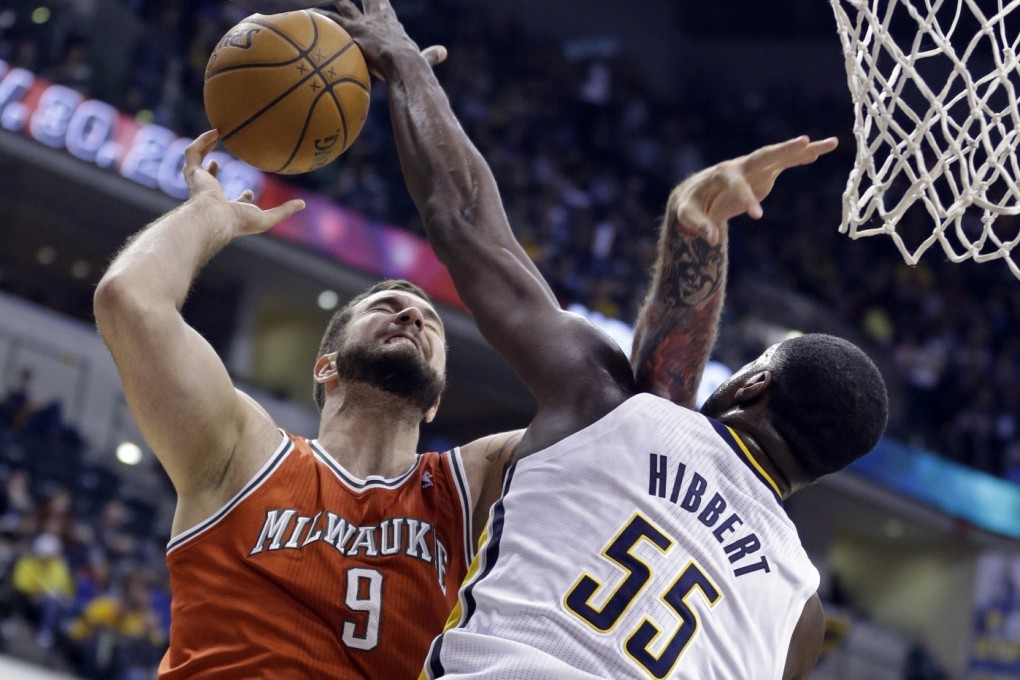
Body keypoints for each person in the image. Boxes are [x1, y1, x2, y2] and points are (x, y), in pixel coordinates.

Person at [323, 1, 889, 678]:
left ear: (752, 383)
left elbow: (463, 218)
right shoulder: (801, 617)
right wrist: (694, 230)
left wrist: (402, 59)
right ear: (821, 469)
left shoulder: (606, 400)